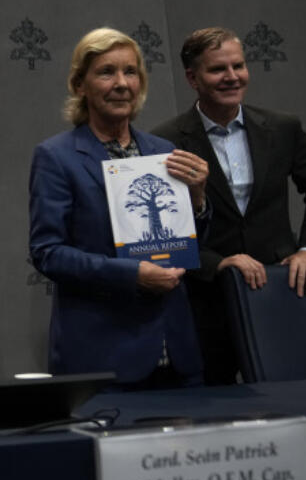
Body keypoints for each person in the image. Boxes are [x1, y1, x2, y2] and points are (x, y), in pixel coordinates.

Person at [151, 27, 306, 384]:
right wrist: (218, 262)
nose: (232, 77)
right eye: (218, 69)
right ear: (193, 78)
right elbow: (165, 231)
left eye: (238, 65)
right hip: (206, 302)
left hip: (281, 293)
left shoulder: (282, 128)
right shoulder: (165, 141)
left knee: (295, 403)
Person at [29, 28, 210, 389]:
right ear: (80, 84)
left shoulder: (163, 151)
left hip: (176, 353)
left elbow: (191, 246)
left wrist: (199, 199)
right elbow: (47, 253)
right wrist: (131, 274)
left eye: (131, 72)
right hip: (102, 357)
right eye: (106, 72)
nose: (122, 83)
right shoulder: (56, 157)